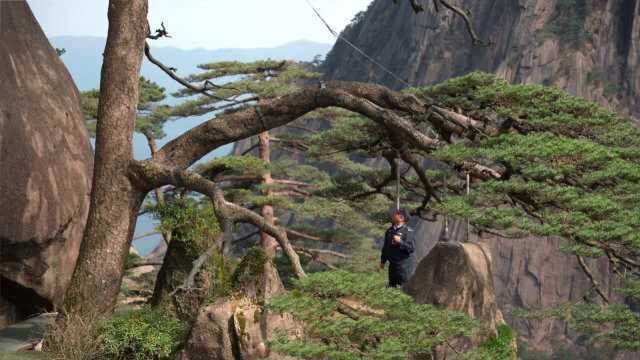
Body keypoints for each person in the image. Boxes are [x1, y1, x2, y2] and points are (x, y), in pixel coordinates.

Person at [380, 208, 415, 287]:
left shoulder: (408, 231)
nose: (392, 215)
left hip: (403, 266)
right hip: (392, 265)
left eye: (395, 214)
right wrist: (383, 261)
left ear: (401, 217)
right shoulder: (390, 231)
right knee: (392, 286)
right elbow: (385, 247)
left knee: (404, 287)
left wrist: (400, 242)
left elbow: (411, 248)